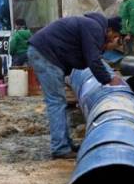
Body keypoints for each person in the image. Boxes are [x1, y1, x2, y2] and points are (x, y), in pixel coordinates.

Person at [27, 13, 124, 159]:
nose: (114, 39)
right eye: (115, 35)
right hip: (45, 55)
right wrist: (108, 79)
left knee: (59, 102)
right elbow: (93, 60)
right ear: (109, 30)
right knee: (56, 102)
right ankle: (60, 148)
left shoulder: (92, 26)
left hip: (45, 53)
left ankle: (65, 143)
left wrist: (104, 47)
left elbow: (86, 56)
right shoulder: (94, 28)